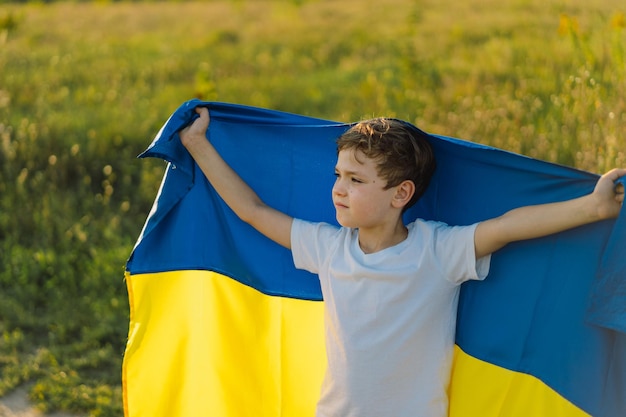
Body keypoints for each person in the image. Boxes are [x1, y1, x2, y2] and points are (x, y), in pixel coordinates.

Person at [179, 106, 625, 417]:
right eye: (337, 175)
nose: (338, 188)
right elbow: (252, 211)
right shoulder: (329, 247)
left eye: (355, 180)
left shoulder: (437, 252)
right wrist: (198, 145)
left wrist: (592, 208)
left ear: (401, 194)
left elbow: (508, 225)